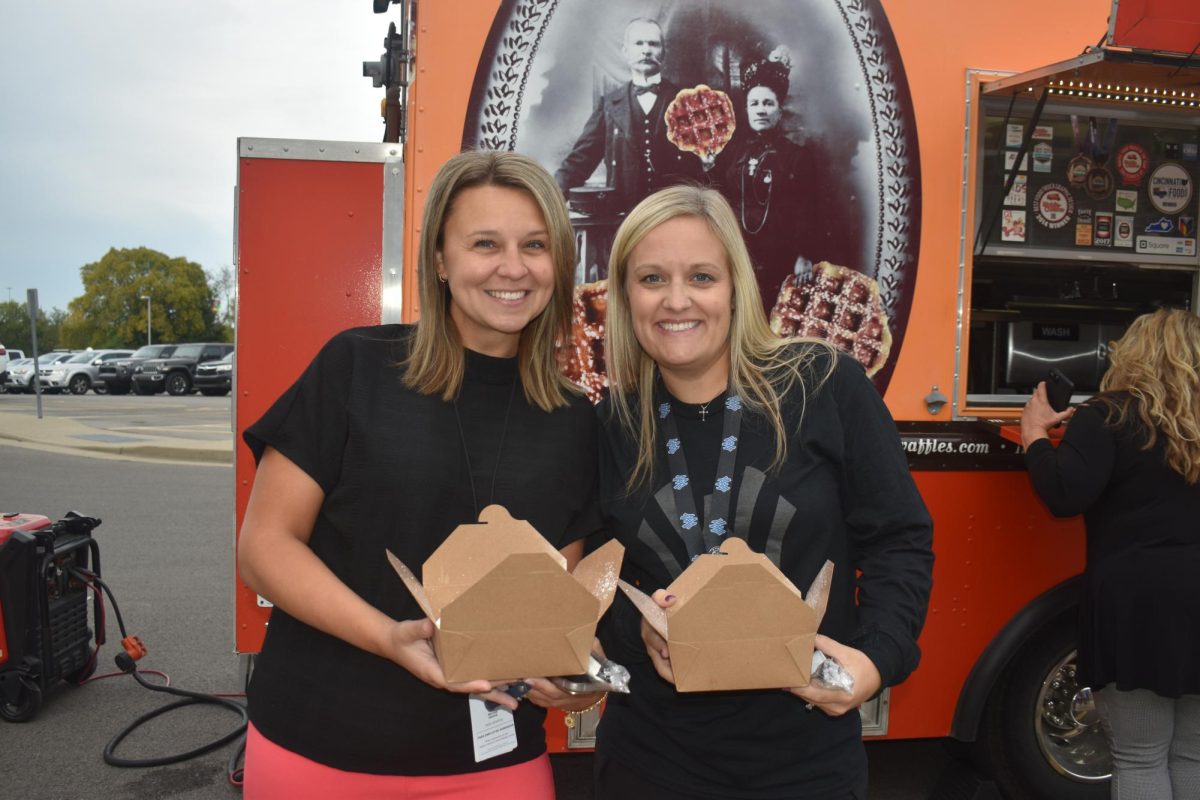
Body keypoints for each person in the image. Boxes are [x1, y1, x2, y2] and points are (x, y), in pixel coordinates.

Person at [236, 150, 604, 799]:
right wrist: (388, 637)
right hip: (320, 751)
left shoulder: (574, 419)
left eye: (535, 245)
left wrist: (573, 674)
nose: (512, 267)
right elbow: (265, 549)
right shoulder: (356, 369)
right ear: (440, 260)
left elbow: (560, 598)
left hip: (494, 764)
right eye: (485, 243)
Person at [592, 184, 934, 799]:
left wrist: (877, 658)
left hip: (804, 759)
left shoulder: (823, 385)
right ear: (625, 296)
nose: (677, 300)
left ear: (736, 287)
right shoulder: (611, 422)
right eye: (650, 279)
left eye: (701, 276)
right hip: (651, 759)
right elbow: (591, 572)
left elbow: (898, 538)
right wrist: (635, 629)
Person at [1020, 309, 1200, 800]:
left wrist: (1035, 433)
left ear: (1134, 356)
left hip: (1137, 604)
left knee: (1141, 757)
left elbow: (1063, 494)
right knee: (1193, 755)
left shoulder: (1109, 415)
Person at [717, 55, 858, 310]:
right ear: (747, 109)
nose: (761, 109)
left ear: (779, 111)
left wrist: (803, 255)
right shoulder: (732, 152)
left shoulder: (796, 154)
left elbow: (809, 207)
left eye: (768, 103)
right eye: (755, 103)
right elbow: (719, 197)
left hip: (779, 254)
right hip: (738, 252)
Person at [555, 17, 705, 217]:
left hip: (674, 214)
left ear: (664, 52)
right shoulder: (609, 104)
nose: (646, 50)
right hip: (624, 218)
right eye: (638, 43)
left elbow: (705, 165)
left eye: (653, 44)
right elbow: (580, 161)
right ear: (625, 52)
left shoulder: (686, 101)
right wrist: (550, 197)